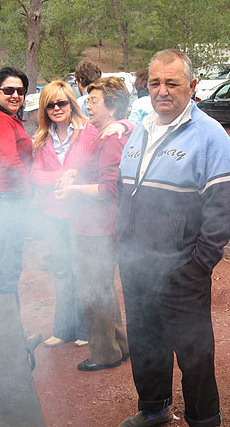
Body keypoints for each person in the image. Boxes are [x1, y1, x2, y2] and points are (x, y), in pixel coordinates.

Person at [116, 49, 230, 427]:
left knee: (194, 351)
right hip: (137, 263)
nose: (162, 91)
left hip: (181, 267)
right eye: (155, 83)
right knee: (145, 340)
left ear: (192, 85)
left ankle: (205, 419)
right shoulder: (141, 130)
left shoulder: (209, 136)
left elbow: (223, 209)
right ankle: (154, 408)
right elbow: (125, 193)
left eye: (172, 82)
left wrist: (196, 264)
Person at [54, 77, 131, 372]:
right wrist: (73, 175)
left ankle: (103, 354)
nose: (88, 105)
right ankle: (120, 346)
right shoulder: (104, 133)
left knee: (93, 291)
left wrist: (73, 190)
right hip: (96, 226)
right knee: (103, 289)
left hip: (97, 228)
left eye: (94, 101)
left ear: (112, 107)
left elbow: (109, 189)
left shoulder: (112, 138)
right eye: (88, 100)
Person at [31, 82, 91, 349]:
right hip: (53, 215)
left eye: (61, 103)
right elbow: (35, 175)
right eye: (50, 105)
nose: (57, 109)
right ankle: (62, 328)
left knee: (81, 271)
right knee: (62, 271)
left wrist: (76, 176)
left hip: (81, 213)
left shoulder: (88, 131)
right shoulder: (42, 138)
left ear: (71, 103)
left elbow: (96, 166)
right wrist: (61, 176)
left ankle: (84, 329)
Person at [0, 67, 32, 303]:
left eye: (20, 91)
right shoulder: (1, 120)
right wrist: (29, 194)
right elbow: (11, 162)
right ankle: (8, 336)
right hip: (5, 201)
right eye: (9, 90)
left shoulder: (3, 119)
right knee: (6, 270)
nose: (15, 95)